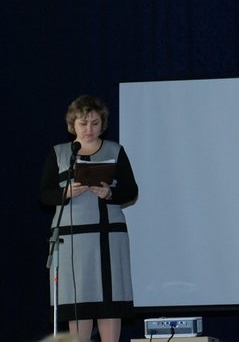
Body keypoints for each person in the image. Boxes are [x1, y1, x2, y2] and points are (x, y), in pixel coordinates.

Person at [41, 95, 138, 342]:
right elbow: (44, 195)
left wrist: (110, 193)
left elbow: (131, 190)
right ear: (72, 124)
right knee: (78, 303)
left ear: (102, 124)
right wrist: (65, 193)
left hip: (108, 236)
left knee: (108, 302)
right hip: (71, 239)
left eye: (95, 123)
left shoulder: (115, 150)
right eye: (83, 123)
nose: (89, 129)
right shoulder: (60, 153)